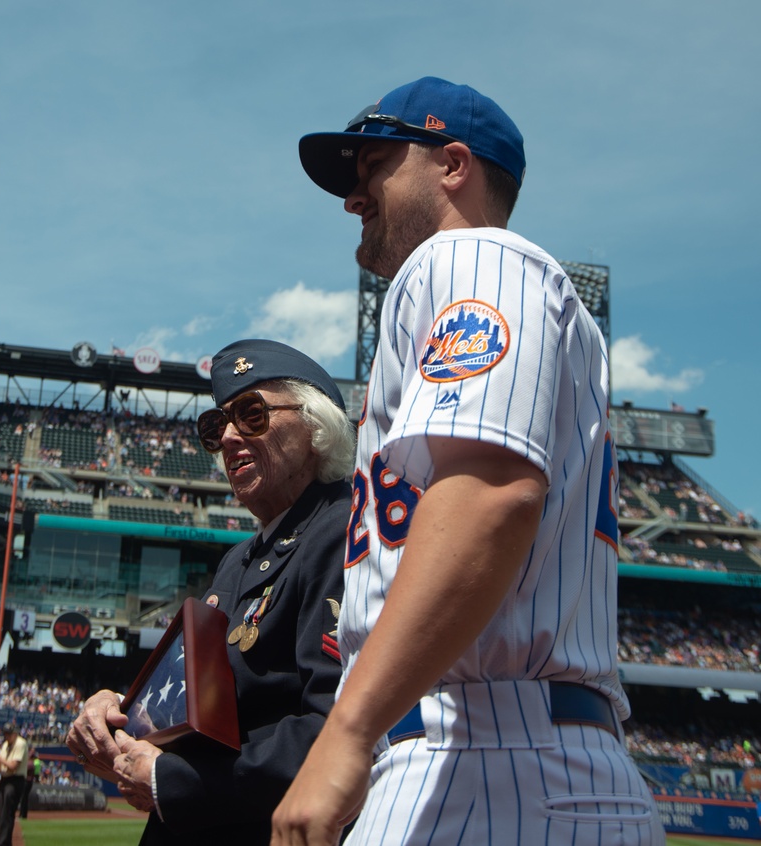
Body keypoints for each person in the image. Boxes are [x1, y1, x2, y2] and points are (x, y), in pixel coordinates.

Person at [271, 76, 665, 845]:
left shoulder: (474, 257)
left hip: (487, 759)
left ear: (453, 165)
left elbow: (491, 494)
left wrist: (347, 732)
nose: (354, 196)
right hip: (500, 757)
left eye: (374, 165)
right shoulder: (465, 285)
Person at [67, 339, 355, 845]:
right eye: (214, 426)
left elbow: (337, 728)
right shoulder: (238, 559)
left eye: (251, 415)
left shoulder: (339, 532)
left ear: (315, 427)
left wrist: (172, 780)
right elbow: (192, 704)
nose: (227, 438)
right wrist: (114, 709)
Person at [0, 721, 29, 846]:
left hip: (15, 781)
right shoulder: (6, 745)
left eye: (8, 734)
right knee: (2, 814)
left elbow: (13, 766)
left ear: (14, 733)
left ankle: (4, 843)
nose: (6, 736)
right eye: (5, 734)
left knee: (7, 814)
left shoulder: (20, 743)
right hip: (5, 780)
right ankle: (3, 842)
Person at [19, 748, 40, 819]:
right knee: (25, 798)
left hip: (26, 781)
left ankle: (22, 814)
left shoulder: (30, 764)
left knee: (23, 798)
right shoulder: (32, 763)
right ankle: (23, 814)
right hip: (29, 782)